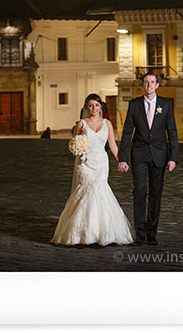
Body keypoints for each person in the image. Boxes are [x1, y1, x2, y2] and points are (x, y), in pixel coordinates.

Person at [51, 94, 133, 246]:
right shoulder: (81, 124)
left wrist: (121, 161)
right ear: (86, 107)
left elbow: (113, 145)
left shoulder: (107, 123)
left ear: (101, 106)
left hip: (101, 162)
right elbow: (74, 143)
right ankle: (81, 233)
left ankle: (102, 232)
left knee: (100, 191)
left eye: (96, 105)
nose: (93, 108)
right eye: (90, 105)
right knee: (85, 191)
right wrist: (79, 151)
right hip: (85, 163)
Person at [118, 72, 178, 246]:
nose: (149, 85)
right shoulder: (134, 105)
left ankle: (152, 233)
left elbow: (172, 133)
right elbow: (127, 133)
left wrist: (173, 158)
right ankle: (140, 233)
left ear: (157, 85)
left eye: (152, 82)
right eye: (146, 82)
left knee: (155, 194)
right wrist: (123, 158)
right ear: (142, 85)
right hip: (139, 155)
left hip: (159, 155)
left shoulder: (166, 104)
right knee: (140, 191)